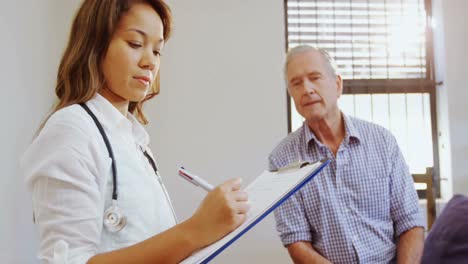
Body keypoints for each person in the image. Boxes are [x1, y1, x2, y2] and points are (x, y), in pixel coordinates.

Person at [21, 1, 250, 263]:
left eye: (157, 51)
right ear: (95, 45)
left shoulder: (134, 141)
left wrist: (208, 230)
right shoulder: (70, 131)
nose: (150, 62)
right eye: (135, 44)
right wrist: (195, 230)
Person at [269, 45, 424, 263]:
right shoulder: (282, 160)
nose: (307, 89)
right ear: (291, 94)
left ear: (337, 85)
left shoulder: (382, 141)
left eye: (315, 77)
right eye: (297, 83)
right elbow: (296, 240)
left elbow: (410, 222)